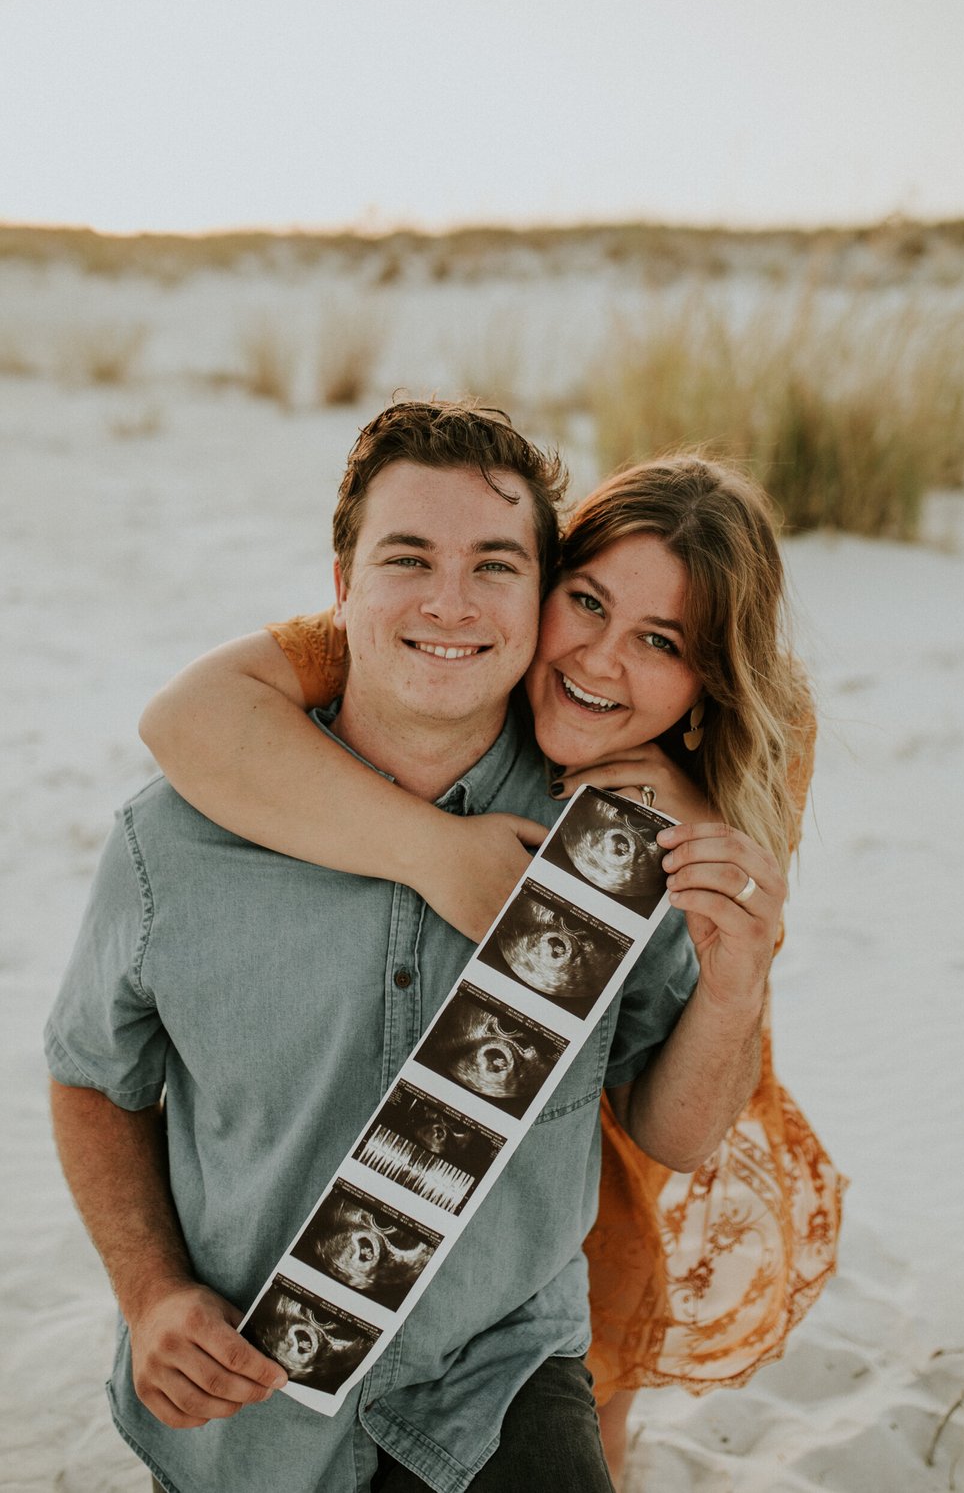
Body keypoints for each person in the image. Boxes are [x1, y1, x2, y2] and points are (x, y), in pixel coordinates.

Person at [46, 402, 785, 1493]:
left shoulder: (628, 842)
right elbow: (90, 1079)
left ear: (535, 601)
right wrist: (150, 1289)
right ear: (341, 583)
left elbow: (669, 1133)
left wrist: (735, 987)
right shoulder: (176, 837)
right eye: (408, 559)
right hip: (251, 1407)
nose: (449, 602)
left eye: (495, 565)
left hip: (493, 1381)